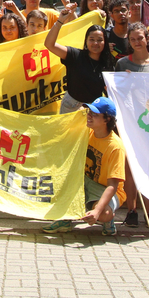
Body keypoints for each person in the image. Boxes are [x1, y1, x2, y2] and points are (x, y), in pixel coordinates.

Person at [43, 97, 125, 236]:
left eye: (95, 114)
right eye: (89, 112)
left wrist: (97, 211)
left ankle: (106, 219)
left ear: (107, 120)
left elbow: (112, 186)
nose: (89, 116)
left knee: (103, 214)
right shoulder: (87, 130)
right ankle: (65, 219)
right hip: (83, 180)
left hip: (104, 189)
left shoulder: (115, 147)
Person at [114, 22, 149, 227]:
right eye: (132, 39)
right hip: (130, 122)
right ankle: (132, 210)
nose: (136, 42)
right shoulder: (122, 64)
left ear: (147, 39)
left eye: (140, 38)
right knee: (129, 168)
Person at [46, 4, 115, 113]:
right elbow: (49, 44)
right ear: (86, 42)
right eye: (92, 39)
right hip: (70, 107)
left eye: (100, 40)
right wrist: (59, 22)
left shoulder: (107, 64)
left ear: (105, 42)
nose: (95, 43)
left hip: (94, 110)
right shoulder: (75, 55)